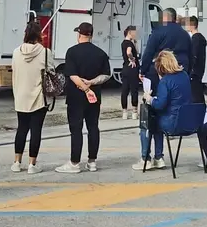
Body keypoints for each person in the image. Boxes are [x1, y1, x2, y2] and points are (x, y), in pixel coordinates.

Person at [57, 22, 112, 174]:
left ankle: (74, 163)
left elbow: (73, 76)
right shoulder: (100, 53)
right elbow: (106, 75)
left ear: (79, 34)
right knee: (93, 127)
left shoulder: (72, 52)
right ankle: (92, 161)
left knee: (76, 129)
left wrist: (85, 88)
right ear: (91, 35)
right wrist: (92, 83)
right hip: (94, 97)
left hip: (76, 96)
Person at [11, 22, 54, 174]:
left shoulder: (16, 52)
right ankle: (32, 164)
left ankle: (17, 162)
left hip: (20, 95)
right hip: (38, 97)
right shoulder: (46, 52)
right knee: (36, 130)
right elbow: (51, 72)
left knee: (21, 128)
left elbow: (14, 71)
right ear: (39, 35)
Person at [143, 50, 194, 166]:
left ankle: (153, 158)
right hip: (188, 122)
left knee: (151, 124)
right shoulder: (184, 75)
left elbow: (160, 105)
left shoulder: (165, 81)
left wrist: (149, 98)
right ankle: (158, 158)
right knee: (158, 123)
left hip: (172, 123)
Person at [140, 8, 191, 87]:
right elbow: (191, 55)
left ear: (164, 17)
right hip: (181, 69)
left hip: (162, 69)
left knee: (160, 94)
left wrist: (143, 71)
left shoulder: (158, 32)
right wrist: (188, 72)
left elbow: (149, 52)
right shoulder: (185, 34)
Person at [120, 26, 141, 120]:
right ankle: (134, 111)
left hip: (125, 68)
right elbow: (129, 52)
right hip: (132, 69)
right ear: (130, 32)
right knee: (134, 90)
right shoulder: (129, 43)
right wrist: (132, 59)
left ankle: (124, 112)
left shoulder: (124, 42)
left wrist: (135, 42)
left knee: (124, 90)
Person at [187, 16, 207, 102]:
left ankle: (198, 107)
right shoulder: (201, 38)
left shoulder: (195, 39)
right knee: (197, 90)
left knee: (195, 92)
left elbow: (194, 55)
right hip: (200, 69)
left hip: (194, 71)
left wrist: (190, 68)